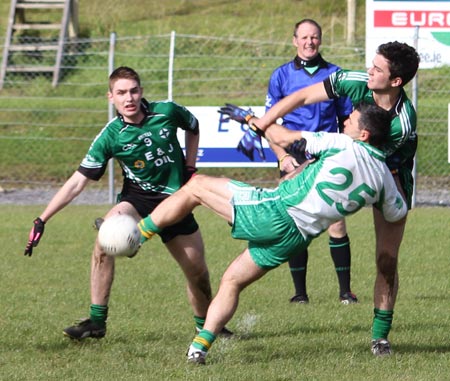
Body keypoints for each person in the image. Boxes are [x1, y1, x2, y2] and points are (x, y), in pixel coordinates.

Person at [137, 103, 407, 365]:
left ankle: (136, 236)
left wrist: (250, 119)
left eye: (352, 118)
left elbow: (285, 137)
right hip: (297, 238)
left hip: (274, 212)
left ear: (364, 135)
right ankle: (199, 349)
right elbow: (398, 212)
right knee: (232, 280)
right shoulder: (383, 179)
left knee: (195, 186)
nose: (345, 120)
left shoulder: (343, 143)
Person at [237, 41, 420, 356]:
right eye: (371, 64)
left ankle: (380, 336)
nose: (369, 71)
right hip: (345, 163)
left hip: (389, 176)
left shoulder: (402, 122)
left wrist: (300, 149)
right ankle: (251, 283)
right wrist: (265, 124)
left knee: (386, 260)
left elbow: (369, 161)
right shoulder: (355, 82)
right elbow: (302, 95)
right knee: (298, 214)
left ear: (395, 82)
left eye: (377, 69)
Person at [23, 66, 231, 339]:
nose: (128, 98)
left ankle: (206, 325)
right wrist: (43, 218)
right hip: (138, 200)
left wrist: (190, 167)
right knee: (103, 242)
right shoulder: (111, 135)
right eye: (121, 93)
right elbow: (77, 182)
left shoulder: (166, 112)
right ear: (111, 97)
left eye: (133, 91)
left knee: (198, 274)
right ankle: (97, 322)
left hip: (177, 201)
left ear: (141, 92)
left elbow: (193, 127)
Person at [265, 19, 355, 305]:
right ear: (294, 40)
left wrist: (344, 150)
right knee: (295, 224)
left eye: (314, 37)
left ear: (320, 40)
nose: (309, 42)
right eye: (304, 37)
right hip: (294, 155)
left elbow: (347, 120)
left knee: (336, 224)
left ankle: (345, 292)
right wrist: (283, 157)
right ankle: (300, 294)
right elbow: (269, 124)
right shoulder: (280, 76)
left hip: (327, 154)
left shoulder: (335, 74)